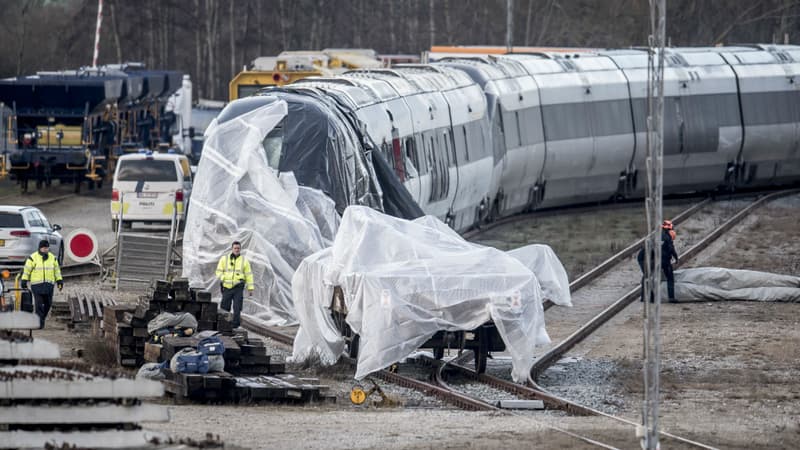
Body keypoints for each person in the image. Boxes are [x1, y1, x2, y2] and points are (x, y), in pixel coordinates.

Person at [21, 240, 63, 329]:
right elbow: (27, 270)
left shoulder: (53, 258)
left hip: (49, 285)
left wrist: (59, 280)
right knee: (39, 304)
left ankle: (41, 319)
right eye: (44, 248)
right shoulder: (32, 258)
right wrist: (24, 280)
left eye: (47, 248)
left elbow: (57, 271)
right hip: (37, 285)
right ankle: (39, 323)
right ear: (40, 248)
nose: (45, 250)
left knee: (48, 304)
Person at [637, 220, 679, 303]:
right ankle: (670, 297)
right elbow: (670, 249)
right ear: (670, 228)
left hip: (647, 258)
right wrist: (675, 258)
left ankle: (647, 297)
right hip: (646, 259)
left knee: (647, 277)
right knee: (669, 277)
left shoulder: (656, 235)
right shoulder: (667, 237)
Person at [215, 241, 254, 328]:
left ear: (240, 249)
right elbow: (218, 271)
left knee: (237, 307)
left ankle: (235, 326)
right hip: (227, 287)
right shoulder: (224, 259)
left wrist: (250, 288)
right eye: (235, 248)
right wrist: (224, 278)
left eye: (238, 248)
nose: (237, 250)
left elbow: (249, 275)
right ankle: (224, 324)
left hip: (238, 288)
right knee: (225, 307)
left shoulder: (244, 261)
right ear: (232, 249)